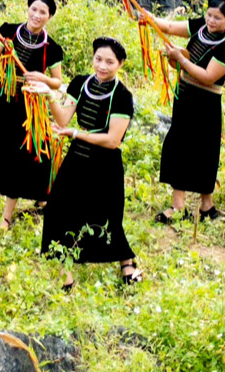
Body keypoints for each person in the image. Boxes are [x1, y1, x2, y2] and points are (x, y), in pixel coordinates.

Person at [32, 37, 141, 289]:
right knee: (59, 209)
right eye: (98, 59)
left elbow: (113, 140)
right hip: (77, 158)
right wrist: (49, 95)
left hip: (105, 163)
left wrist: (75, 134)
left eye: (109, 62)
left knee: (107, 217)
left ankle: (126, 262)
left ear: (120, 64)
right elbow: (63, 118)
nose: (102, 66)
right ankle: (65, 272)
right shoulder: (81, 83)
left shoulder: (122, 96)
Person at [146, 0, 225, 223]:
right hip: (185, 95)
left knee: (205, 152)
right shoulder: (199, 27)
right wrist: (148, 18)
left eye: (217, 18)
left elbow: (208, 77)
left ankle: (206, 206)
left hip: (206, 102)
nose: (211, 20)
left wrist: (181, 58)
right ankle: (179, 206)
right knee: (179, 146)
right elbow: (167, 26)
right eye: (209, 14)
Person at [0, 0, 64, 231]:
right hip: (6, 100)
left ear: (49, 17)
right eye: (34, 9)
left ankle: (42, 197)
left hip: (32, 105)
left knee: (39, 150)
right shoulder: (7, 32)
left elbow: (58, 82)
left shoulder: (52, 47)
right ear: (27, 9)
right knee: (10, 154)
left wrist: (42, 78)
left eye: (43, 13)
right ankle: (7, 216)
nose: (37, 15)